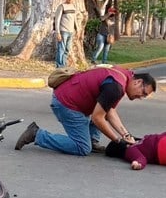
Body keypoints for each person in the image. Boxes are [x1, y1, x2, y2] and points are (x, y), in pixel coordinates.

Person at [15, 66, 156, 156]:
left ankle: (92, 141)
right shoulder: (116, 87)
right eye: (143, 93)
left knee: (102, 110)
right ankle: (37, 135)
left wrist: (126, 135)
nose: (140, 97)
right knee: (82, 148)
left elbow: (110, 110)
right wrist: (118, 141)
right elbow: (98, 118)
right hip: (66, 103)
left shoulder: (124, 75)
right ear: (138, 82)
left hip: (72, 96)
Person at [54, 0, 79, 68]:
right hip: (63, 31)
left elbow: (75, 19)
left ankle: (63, 65)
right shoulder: (62, 6)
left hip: (71, 32)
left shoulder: (73, 6)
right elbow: (57, 20)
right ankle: (59, 66)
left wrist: (77, 29)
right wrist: (58, 32)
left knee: (67, 49)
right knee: (61, 49)